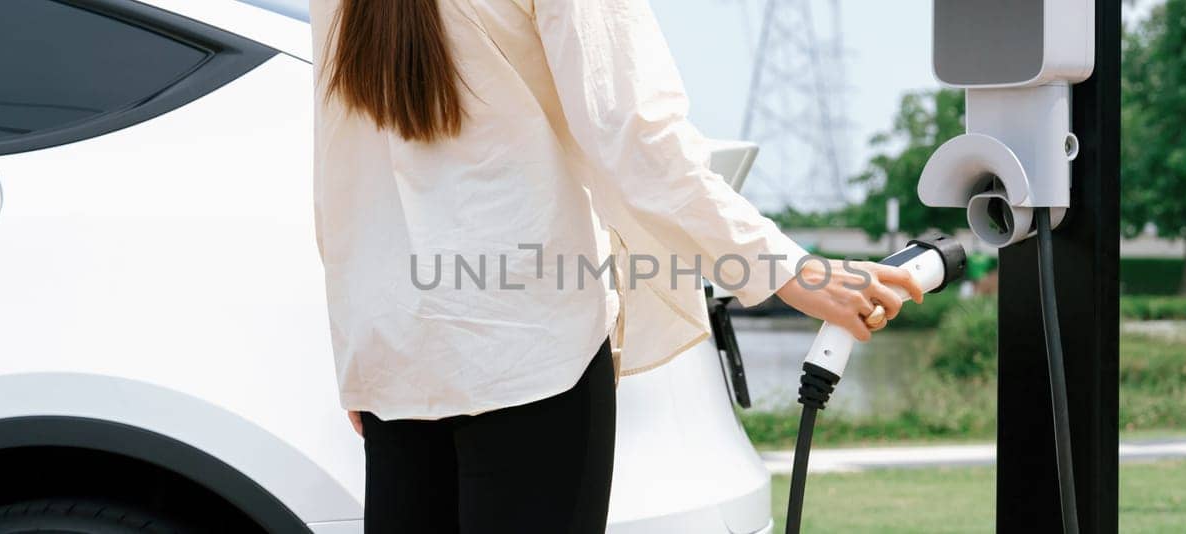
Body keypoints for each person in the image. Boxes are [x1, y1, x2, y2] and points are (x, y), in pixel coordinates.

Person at [309, 0, 922, 531]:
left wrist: (358, 351)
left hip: (400, 353)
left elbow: (340, 168)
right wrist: (790, 271)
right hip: (531, 351)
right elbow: (636, 135)